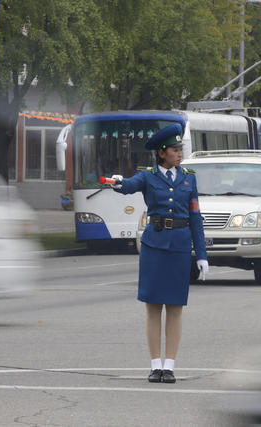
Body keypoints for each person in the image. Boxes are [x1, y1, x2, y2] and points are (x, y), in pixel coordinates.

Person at [109, 123, 208, 384]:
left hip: (179, 246)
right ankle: (155, 366)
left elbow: (196, 217)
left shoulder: (189, 178)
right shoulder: (148, 177)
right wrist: (118, 183)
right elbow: (128, 186)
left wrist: (201, 254)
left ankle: (170, 366)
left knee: (175, 307)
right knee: (153, 308)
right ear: (162, 153)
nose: (179, 154)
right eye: (175, 150)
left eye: (180, 149)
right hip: (154, 247)